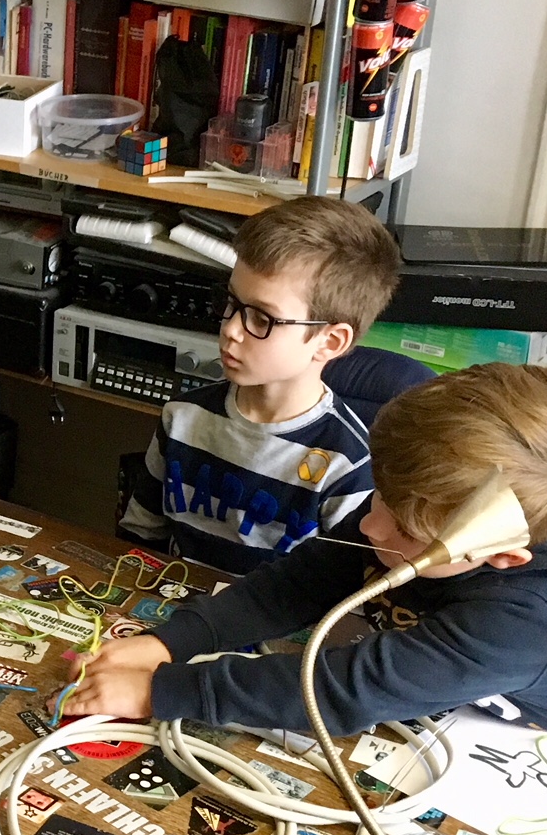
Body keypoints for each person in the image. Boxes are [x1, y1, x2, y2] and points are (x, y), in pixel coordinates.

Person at [71, 364, 547, 744]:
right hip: (527, 677)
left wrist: (164, 692)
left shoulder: (530, 619)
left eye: (401, 527)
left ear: (502, 557)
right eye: (379, 497)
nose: (371, 525)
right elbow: (304, 580)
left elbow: (342, 692)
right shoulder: (445, 512)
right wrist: (168, 643)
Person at [118, 196, 401, 574]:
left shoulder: (347, 466)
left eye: (262, 319)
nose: (231, 329)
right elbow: (140, 538)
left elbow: (344, 588)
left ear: (329, 342)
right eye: (232, 303)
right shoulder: (183, 416)